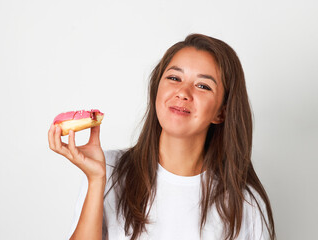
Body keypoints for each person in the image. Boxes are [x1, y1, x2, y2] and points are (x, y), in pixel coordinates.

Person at [48, 33, 276, 240]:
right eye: (174, 78)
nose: (183, 93)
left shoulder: (245, 204)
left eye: (203, 86)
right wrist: (97, 179)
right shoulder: (108, 170)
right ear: (157, 88)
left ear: (221, 112)